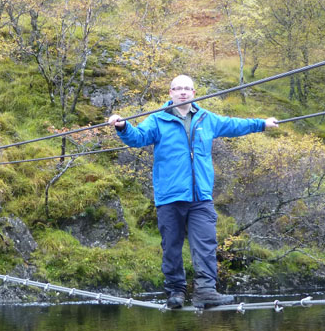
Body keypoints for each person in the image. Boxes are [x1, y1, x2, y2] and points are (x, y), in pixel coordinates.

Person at [108, 75, 278, 309]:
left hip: (201, 197)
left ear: (194, 93)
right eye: (178, 89)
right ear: (170, 93)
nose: (183, 93)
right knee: (171, 246)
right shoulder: (157, 120)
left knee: (206, 243)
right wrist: (123, 126)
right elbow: (138, 138)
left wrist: (261, 124)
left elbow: (234, 125)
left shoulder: (207, 119)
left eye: (187, 89)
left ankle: (206, 291)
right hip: (170, 196)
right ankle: (176, 291)